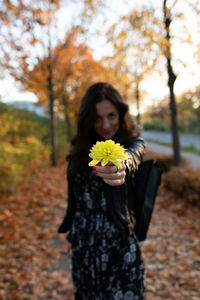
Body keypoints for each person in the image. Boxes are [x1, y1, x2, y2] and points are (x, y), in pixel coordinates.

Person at [58, 82, 146, 299]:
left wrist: (121, 164)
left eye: (111, 116)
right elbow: (77, 201)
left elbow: (133, 155)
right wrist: (72, 237)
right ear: (88, 120)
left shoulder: (132, 144)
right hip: (84, 250)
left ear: (121, 115)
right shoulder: (79, 152)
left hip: (120, 249)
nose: (105, 124)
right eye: (97, 117)